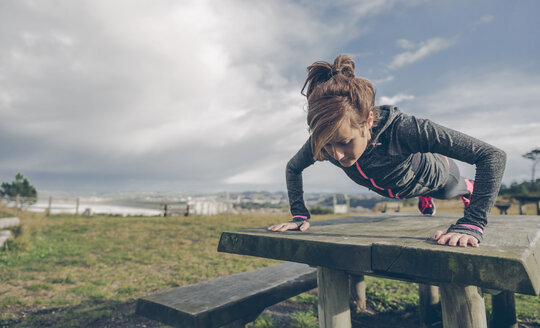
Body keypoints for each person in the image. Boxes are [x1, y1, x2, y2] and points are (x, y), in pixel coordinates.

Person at [267, 54, 506, 248]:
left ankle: (466, 188)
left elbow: (492, 156)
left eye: (344, 142)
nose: (337, 156)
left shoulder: (404, 129)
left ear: (369, 120)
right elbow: (293, 167)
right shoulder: (324, 143)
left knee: (448, 191)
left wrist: (472, 223)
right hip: (398, 186)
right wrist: (299, 216)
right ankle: (421, 196)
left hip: (437, 174)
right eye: (328, 146)